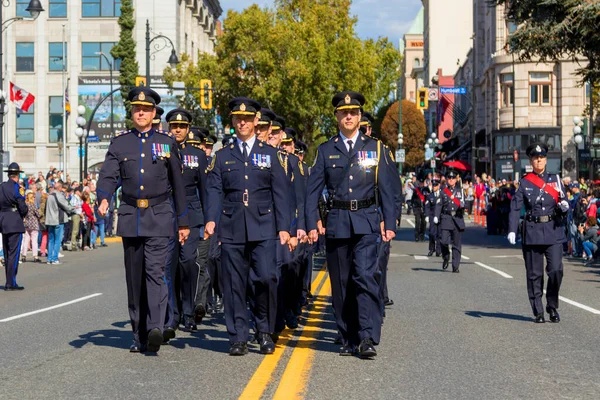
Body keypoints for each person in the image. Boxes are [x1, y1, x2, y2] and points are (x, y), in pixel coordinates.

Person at [96, 87, 190, 353]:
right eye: (137, 109)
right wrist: (103, 197)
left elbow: (177, 184)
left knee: (155, 272)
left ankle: (155, 328)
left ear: (152, 113)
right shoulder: (120, 143)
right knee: (134, 277)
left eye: (146, 109)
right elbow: (108, 176)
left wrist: (183, 222)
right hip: (130, 216)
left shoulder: (166, 141)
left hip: (160, 216)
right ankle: (138, 333)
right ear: (132, 112)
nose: (141, 113)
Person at [305, 91, 396, 358]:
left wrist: (389, 221)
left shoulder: (376, 148)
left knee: (365, 278)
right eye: (344, 112)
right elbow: (312, 192)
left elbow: (387, 188)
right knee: (341, 283)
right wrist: (313, 222)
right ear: (337, 117)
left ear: (359, 117)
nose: (349, 116)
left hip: (366, 222)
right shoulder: (325, 150)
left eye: (354, 112)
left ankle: (366, 336)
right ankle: (346, 335)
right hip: (337, 224)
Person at [205, 97, 291, 356]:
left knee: (266, 278)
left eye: (247, 118)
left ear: (256, 121)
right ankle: (238, 336)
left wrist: (284, 226)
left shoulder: (271, 155)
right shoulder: (222, 157)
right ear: (233, 121)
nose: (242, 122)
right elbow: (214, 191)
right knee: (234, 284)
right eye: (237, 118)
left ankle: (264, 330)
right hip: (232, 228)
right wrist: (211, 219)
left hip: (264, 226)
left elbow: (281, 193)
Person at [508, 142, 568, 323]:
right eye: (535, 158)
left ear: (546, 160)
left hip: (553, 230)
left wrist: (564, 207)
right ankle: (539, 310)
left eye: (541, 157)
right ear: (531, 161)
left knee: (556, 270)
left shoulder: (555, 180)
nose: (539, 160)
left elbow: (563, 202)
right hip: (533, 232)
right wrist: (512, 229)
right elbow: (515, 206)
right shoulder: (525, 182)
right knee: (535, 275)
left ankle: (552, 305)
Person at [162, 108, 209, 340]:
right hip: (167, 213)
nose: (177, 129)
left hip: (191, 214)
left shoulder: (197, 155)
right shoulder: (161, 150)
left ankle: (189, 311)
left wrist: (210, 220)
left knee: (188, 262)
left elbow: (205, 190)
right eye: (173, 126)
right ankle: (174, 314)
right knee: (169, 267)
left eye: (181, 126)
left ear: (188, 129)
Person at [1, 163, 28, 290]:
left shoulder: (1, 187)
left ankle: (9, 281)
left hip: (3, 221)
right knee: (14, 254)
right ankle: (11, 282)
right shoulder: (18, 188)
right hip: (15, 221)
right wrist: (24, 212)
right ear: (17, 175)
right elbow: (22, 206)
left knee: (7, 253)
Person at [434, 169, 465, 273]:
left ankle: (455, 266)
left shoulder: (460, 191)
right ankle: (446, 256)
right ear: (447, 180)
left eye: (453, 178)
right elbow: (439, 205)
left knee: (456, 244)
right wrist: (436, 216)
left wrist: (463, 206)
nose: (451, 180)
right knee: (443, 240)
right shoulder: (443, 192)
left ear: (456, 180)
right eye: (449, 178)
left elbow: (464, 203)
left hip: (457, 218)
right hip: (446, 219)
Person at [45, 181, 74, 265]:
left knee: (51, 240)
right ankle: (55, 259)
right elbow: (66, 205)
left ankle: (49, 258)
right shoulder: (58, 195)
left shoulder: (49, 195)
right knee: (57, 240)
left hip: (50, 220)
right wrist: (73, 209)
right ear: (60, 188)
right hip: (58, 220)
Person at [21, 191, 41, 263]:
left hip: (26, 223)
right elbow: (38, 214)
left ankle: (23, 256)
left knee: (26, 240)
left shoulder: (25, 205)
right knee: (34, 240)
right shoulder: (32, 205)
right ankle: (35, 256)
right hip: (34, 223)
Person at [426, 178, 442, 257]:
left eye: (435, 185)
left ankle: (439, 250)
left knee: (439, 234)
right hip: (432, 216)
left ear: (439, 186)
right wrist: (427, 215)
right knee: (432, 233)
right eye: (433, 185)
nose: (434, 187)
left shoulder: (442, 195)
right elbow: (427, 206)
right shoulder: (430, 196)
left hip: (440, 217)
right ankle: (432, 248)